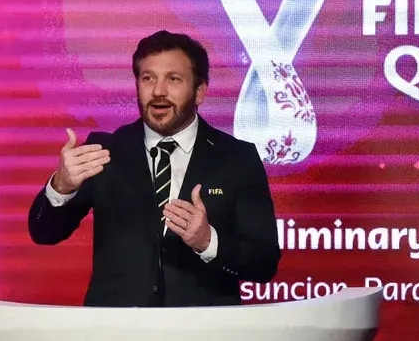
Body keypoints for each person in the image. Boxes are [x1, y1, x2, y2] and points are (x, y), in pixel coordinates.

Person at [28, 30, 280, 307]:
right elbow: (44, 233)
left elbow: (264, 263)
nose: (158, 91)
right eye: (148, 78)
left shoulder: (237, 158)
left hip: (203, 330)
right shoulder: (104, 152)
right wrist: (62, 187)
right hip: (116, 329)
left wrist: (208, 241)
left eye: (173, 79)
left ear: (199, 91)